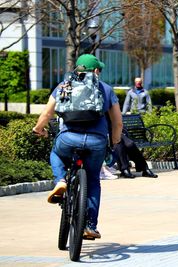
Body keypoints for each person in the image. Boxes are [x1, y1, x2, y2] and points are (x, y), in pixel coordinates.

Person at [32, 54, 123, 239]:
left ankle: (61, 181)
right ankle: (90, 225)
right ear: (96, 70)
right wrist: (114, 142)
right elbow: (118, 123)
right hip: (96, 142)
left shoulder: (63, 86)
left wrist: (37, 129)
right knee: (93, 181)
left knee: (56, 154)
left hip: (69, 138)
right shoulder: (106, 89)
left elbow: (47, 113)